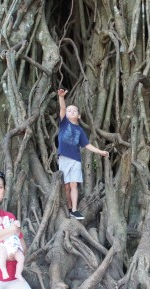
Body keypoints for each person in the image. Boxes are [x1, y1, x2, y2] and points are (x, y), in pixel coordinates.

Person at [57, 88, 109, 220]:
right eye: (69, 110)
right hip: (63, 158)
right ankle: (68, 207)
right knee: (66, 186)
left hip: (75, 160)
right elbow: (62, 108)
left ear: (78, 116)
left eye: (74, 110)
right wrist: (62, 98)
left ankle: (74, 210)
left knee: (74, 184)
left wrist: (100, 152)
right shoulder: (63, 123)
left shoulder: (80, 131)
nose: (71, 111)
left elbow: (87, 145)